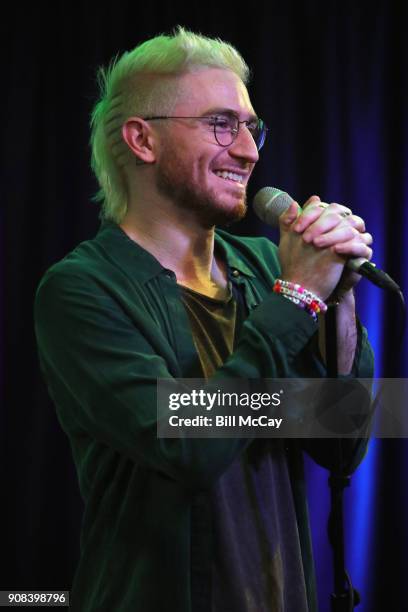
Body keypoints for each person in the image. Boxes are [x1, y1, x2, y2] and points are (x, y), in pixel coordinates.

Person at [34, 27, 374, 612]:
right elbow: (189, 446)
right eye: (222, 124)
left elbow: (343, 445)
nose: (249, 151)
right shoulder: (81, 289)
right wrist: (296, 300)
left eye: (251, 127)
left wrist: (336, 295)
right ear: (142, 139)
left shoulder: (265, 265)